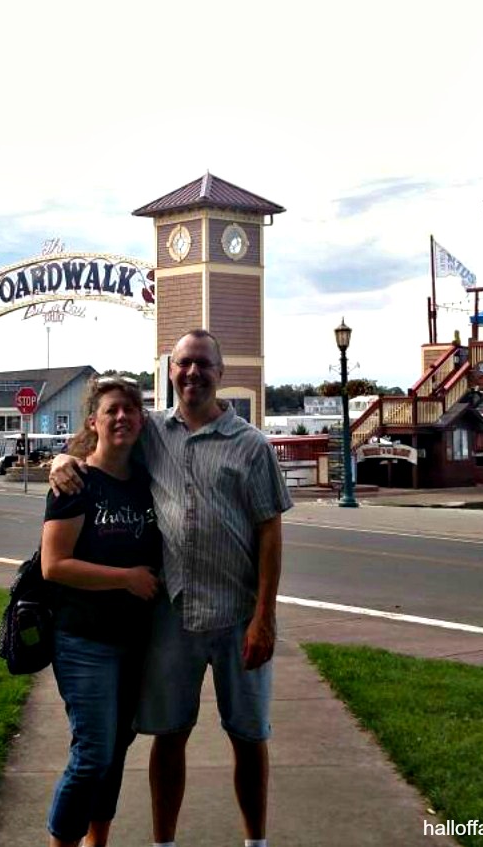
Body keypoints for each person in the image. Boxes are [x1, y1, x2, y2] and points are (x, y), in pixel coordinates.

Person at [50, 329, 292, 847]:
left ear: (219, 373)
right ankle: (164, 843)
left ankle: (256, 841)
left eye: (204, 364)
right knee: (169, 732)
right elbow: (102, 445)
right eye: (183, 364)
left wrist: (264, 616)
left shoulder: (250, 445)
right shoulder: (153, 431)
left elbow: (270, 528)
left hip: (237, 614)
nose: (193, 373)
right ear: (171, 371)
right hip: (173, 615)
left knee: (248, 735)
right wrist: (60, 460)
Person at [41, 375, 161, 847]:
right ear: (93, 421)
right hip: (84, 640)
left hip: (135, 640)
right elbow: (54, 566)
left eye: (130, 410)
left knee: (115, 750)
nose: (121, 417)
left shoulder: (146, 481)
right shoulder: (74, 482)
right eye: (111, 410)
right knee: (91, 753)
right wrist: (126, 578)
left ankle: (98, 843)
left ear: (141, 421)